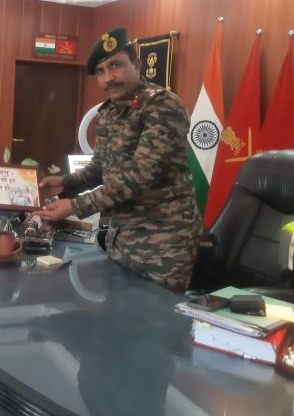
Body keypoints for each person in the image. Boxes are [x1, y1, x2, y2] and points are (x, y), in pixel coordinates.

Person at [35, 26, 202, 292]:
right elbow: (99, 169)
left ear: (137, 65)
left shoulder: (163, 106)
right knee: (117, 312)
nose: (108, 78)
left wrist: (76, 205)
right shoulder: (108, 114)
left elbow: (139, 176)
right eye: (100, 71)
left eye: (116, 66)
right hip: (122, 239)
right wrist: (65, 183)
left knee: (155, 316)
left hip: (164, 243)